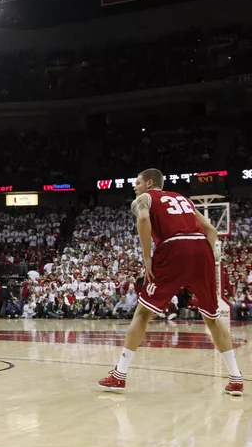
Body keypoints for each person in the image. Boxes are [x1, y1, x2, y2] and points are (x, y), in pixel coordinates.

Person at [99, 168, 244, 395]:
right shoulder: (184, 200)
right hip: (201, 249)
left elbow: (144, 218)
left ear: (148, 183)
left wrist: (147, 256)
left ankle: (119, 375)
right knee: (212, 318)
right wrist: (211, 255)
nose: (134, 186)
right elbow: (211, 230)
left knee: (143, 314)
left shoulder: (144, 199)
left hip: (174, 248)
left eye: (137, 182)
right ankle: (236, 378)